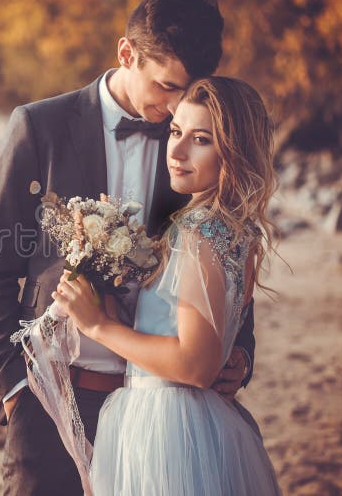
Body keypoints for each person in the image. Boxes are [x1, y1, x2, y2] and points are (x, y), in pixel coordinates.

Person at [0, 0, 257, 495]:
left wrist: (240, 354)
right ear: (127, 54)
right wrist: (13, 388)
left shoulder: (190, 150)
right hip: (49, 396)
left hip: (158, 412)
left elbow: (220, 266)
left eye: (187, 91)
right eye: (166, 86)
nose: (175, 110)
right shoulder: (39, 126)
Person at [53, 76, 281, 494]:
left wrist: (99, 327)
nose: (175, 152)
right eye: (176, 131)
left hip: (169, 426)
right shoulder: (232, 229)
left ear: (233, 150)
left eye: (200, 140)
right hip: (195, 418)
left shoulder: (197, 231)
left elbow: (196, 365)